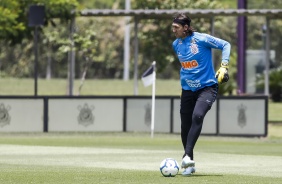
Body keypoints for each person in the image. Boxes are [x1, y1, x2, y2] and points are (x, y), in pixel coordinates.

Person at [171, 13, 231, 176]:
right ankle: (189, 164)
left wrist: (224, 66)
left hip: (207, 88)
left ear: (185, 27)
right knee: (185, 126)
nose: (173, 30)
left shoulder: (201, 39)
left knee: (197, 116)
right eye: (173, 27)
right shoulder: (176, 44)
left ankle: (187, 156)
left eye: (176, 27)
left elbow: (226, 44)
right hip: (187, 90)